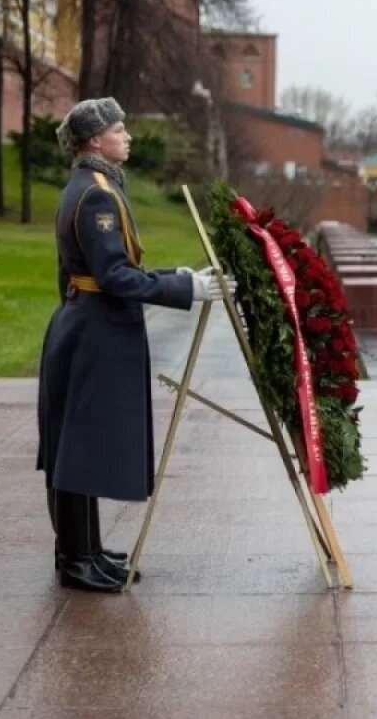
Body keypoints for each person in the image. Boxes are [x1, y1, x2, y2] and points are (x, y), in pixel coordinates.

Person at [37, 97, 235, 592]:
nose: (127, 136)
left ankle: (85, 550)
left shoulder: (95, 186)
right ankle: (76, 559)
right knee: (79, 448)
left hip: (89, 325)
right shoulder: (97, 195)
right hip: (94, 332)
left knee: (79, 445)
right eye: (119, 130)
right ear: (94, 141)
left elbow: (104, 272)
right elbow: (114, 275)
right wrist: (183, 290)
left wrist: (181, 276)